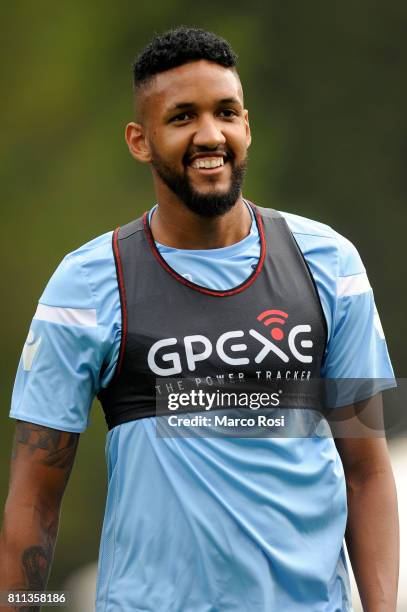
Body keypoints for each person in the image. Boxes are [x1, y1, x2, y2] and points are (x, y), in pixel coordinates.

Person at [0, 26, 399, 612]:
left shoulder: (330, 263)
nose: (209, 135)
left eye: (226, 113)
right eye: (182, 116)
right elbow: (34, 502)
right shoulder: (86, 283)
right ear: (140, 140)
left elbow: (368, 471)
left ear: (247, 126)